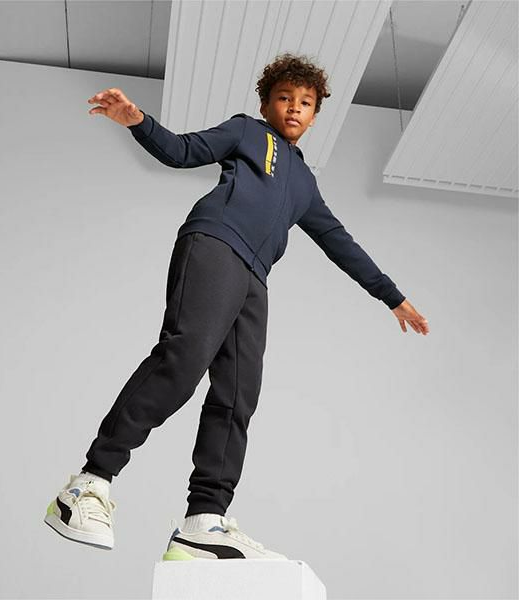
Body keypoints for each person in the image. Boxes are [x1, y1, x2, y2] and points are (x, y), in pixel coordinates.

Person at [44, 52, 429, 560]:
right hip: (214, 245)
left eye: (305, 102)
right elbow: (182, 150)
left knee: (238, 394)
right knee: (184, 359)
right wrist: (137, 121)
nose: (294, 107)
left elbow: (340, 242)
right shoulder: (247, 131)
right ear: (267, 104)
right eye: (284, 98)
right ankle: (88, 483)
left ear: (315, 115)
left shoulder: (306, 186)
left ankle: (203, 520)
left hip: (255, 278)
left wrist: (391, 296)